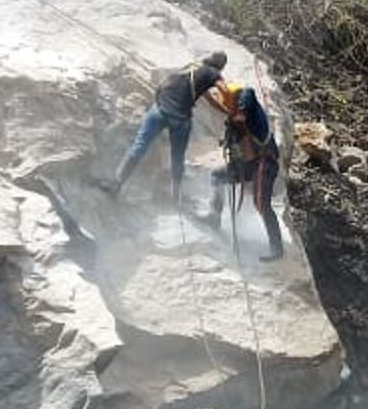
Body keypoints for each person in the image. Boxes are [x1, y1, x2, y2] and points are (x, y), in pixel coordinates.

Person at [110, 50, 227, 204]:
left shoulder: (192, 67)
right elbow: (224, 88)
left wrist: (223, 109)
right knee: (177, 159)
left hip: (159, 108)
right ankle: (175, 198)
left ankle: (117, 184)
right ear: (221, 66)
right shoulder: (213, 73)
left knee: (139, 146)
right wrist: (231, 105)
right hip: (179, 118)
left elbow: (208, 98)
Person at [201, 79, 283, 261]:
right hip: (246, 165)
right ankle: (214, 217)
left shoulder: (246, 98)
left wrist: (241, 112)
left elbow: (248, 94)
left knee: (262, 203)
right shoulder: (233, 121)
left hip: (264, 161)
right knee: (217, 176)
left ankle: (277, 248)